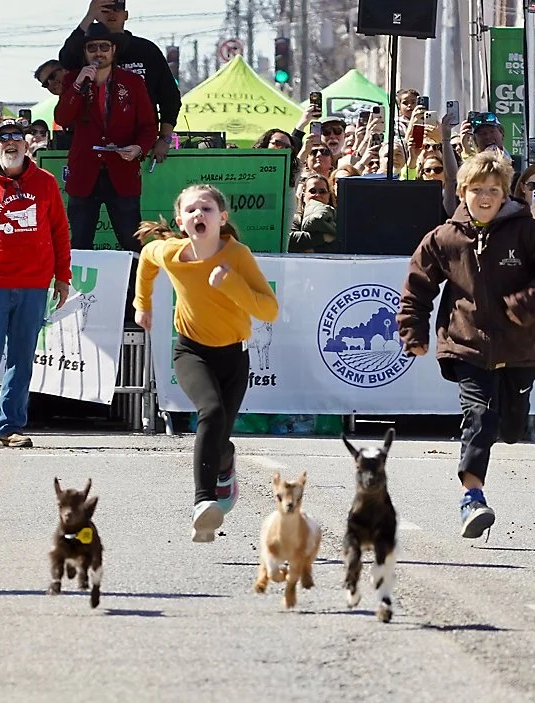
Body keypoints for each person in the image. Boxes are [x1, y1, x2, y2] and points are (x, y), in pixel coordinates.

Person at [397, 151, 535, 539]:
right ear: (462, 192)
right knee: (480, 417)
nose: (484, 197)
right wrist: (413, 331)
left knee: (511, 427)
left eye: (493, 190)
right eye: (476, 189)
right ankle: (472, 498)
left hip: (519, 349)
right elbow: (417, 288)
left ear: (505, 194)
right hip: (466, 345)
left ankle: (504, 432)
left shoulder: (527, 231)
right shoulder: (444, 237)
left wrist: (529, 301)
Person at [132, 184, 279, 542]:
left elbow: (269, 310)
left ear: (222, 218)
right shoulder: (170, 252)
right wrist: (142, 304)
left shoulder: (238, 256)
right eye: (192, 210)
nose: (200, 215)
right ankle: (202, 502)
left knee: (221, 436)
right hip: (191, 351)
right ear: (181, 221)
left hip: (235, 356)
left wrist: (231, 284)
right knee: (209, 413)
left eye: (208, 209)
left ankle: (226, 461)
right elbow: (147, 260)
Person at [0, 121, 71, 449]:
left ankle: (10, 426)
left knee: (22, 357)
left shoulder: (46, 183)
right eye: (3, 138)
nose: (10, 143)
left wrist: (64, 277)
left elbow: (60, 231)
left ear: (26, 144)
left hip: (34, 284)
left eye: (16, 137)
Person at [55, 23, 157, 252]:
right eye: (92, 48)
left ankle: (137, 288)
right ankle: (80, 288)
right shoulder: (73, 79)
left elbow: (149, 126)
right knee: (80, 242)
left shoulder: (132, 82)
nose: (98, 52)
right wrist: (80, 83)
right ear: (85, 52)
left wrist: (138, 148)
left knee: (133, 242)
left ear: (113, 50)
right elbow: (62, 117)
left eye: (104, 47)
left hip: (122, 171)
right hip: (84, 173)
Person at [59, 0, 181, 164]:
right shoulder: (86, 53)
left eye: (117, 8)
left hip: (139, 147)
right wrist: (89, 16)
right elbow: (66, 59)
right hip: (92, 152)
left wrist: (164, 139)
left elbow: (170, 97)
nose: (111, 13)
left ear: (126, 15)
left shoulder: (146, 50)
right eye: (105, 9)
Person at [289, 173, 337, 253]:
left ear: (328, 196)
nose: (317, 195)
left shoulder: (337, 218)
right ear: (304, 195)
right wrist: (322, 237)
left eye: (322, 191)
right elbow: (289, 239)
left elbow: (339, 245)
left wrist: (313, 250)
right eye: (312, 191)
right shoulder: (295, 219)